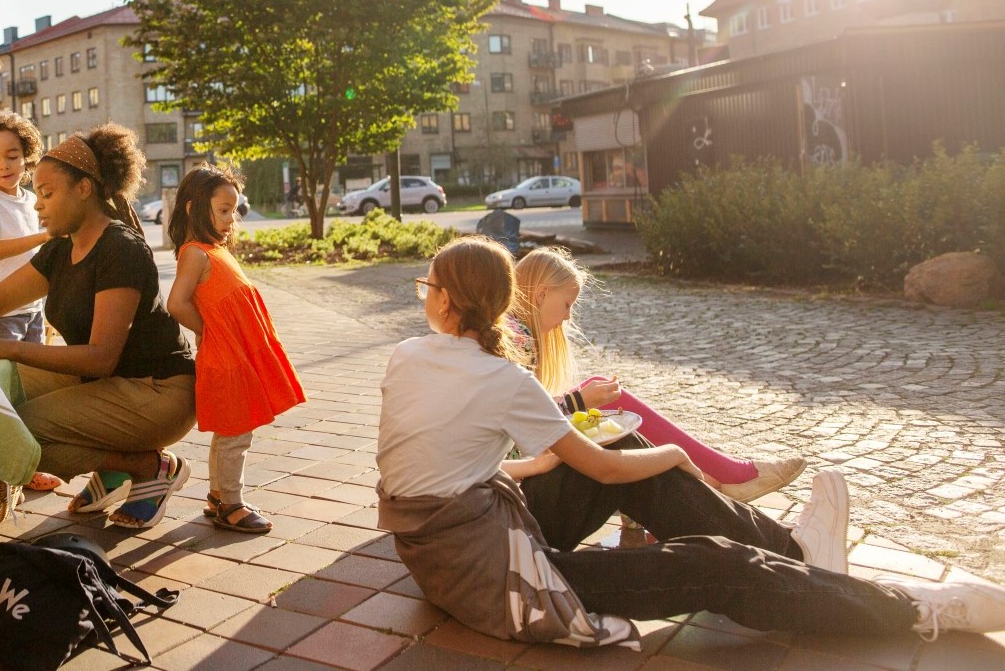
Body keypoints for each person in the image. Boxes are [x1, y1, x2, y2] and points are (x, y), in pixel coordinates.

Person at [376, 236, 1005, 644]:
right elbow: (599, 471)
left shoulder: (409, 355)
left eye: (426, 285)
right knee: (711, 563)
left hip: (465, 540)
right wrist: (679, 454)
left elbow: (431, 472)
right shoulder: (500, 376)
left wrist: (524, 469)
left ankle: (797, 551)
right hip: (495, 575)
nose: (423, 295)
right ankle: (910, 610)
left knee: (623, 453)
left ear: (448, 303)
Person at [0, 124, 196, 529]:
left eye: (48, 194)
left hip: (157, 391)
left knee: (16, 427)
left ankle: (146, 466)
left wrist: (5, 347)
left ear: (84, 189)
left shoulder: (120, 249)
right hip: (107, 384)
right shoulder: (60, 248)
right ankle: (114, 468)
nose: (37, 205)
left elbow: (101, 358)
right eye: (37, 194)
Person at [507, 247, 805, 502]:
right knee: (606, 403)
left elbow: (526, 414)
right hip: (522, 484)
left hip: (518, 474)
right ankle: (730, 476)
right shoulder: (518, 338)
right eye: (567, 305)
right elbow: (528, 424)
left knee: (600, 398)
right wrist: (578, 400)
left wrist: (579, 398)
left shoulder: (514, 332)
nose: (567, 317)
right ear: (542, 294)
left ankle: (721, 478)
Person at [166, 165, 306, 534]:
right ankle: (231, 502)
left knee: (231, 431)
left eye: (235, 209)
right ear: (194, 208)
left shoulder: (214, 250)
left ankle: (218, 497)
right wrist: (208, 330)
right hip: (226, 356)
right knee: (236, 432)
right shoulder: (195, 253)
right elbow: (176, 304)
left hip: (236, 353)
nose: (233, 218)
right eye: (224, 210)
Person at [0, 112, 63, 493]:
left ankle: (24, 466)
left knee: (29, 390)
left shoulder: (30, 199)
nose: (4, 165)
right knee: (0, 392)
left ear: (27, 156)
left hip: (32, 309)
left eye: (13, 155)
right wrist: (44, 237)